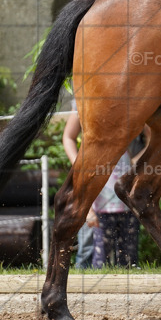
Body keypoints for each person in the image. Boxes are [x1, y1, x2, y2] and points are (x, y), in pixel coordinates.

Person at [90, 131, 146, 269]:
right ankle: (99, 284)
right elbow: (87, 185)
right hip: (103, 212)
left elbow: (137, 163)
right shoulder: (96, 155)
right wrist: (89, 212)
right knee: (102, 257)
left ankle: (129, 278)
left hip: (127, 210)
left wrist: (151, 139)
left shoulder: (125, 153)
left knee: (129, 257)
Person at [61, 101, 95, 269]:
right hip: (90, 171)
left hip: (116, 175)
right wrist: (79, 166)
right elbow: (68, 137)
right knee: (88, 243)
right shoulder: (83, 99)